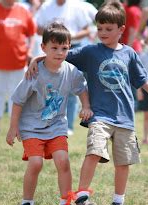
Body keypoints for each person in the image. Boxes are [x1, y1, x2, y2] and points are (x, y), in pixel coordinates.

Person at [27, 1, 148, 205]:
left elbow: (143, 80)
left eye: (108, 29)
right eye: (100, 28)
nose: (102, 33)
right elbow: (60, 54)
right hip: (100, 115)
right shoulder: (90, 52)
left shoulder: (130, 54)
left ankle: (118, 203)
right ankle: (83, 196)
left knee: (122, 163)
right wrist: (37, 59)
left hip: (125, 118)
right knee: (94, 151)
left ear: (121, 29)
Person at [6, 22, 93, 205]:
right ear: (43, 47)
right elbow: (18, 101)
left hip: (56, 126)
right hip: (31, 127)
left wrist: (85, 106)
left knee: (63, 161)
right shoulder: (34, 72)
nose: (59, 52)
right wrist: (13, 128)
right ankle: (26, 203)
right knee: (35, 163)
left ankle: (66, 204)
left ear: (69, 48)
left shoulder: (71, 71)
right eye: (54, 48)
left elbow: (82, 88)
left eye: (64, 48)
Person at [35, 0, 92, 136]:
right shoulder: (46, 6)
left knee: (72, 88)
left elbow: (87, 30)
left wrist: (68, 38)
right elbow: (38, 29)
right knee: (49, 90)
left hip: (73, 49)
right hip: (51, 49)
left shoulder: (77, 6)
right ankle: (46, 123)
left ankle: (68, 126)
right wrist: (55, 36)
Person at [0, 0, 36, 134]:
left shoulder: (23, 11)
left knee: (17, 95)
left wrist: (30, 51)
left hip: (19, 61)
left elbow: (32, 33)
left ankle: (15, 126)